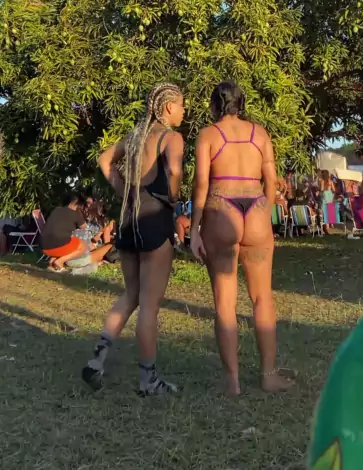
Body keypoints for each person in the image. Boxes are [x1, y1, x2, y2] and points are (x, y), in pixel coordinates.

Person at [190, 81, 294, 396]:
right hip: (256, 208)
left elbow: (201, 184)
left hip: (222, 207)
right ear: (241, 103)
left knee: (225, 301)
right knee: (263, 298)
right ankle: (268, 375)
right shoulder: (260, 133)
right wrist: (266, 213)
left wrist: (194, 228)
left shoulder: (208, 135)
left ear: (215, 104)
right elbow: (271, 181)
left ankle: (232, 380)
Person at [81, 82, 185, 396]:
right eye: (181, 105)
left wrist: (123, 190)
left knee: (130, 295)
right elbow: (175, 171)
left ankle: (97, 359)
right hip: (154, 220)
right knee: (149, 306)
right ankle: (148, 380)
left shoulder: (136, 137)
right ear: (168, 106)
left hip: (128, 219)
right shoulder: (172, 138)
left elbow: (104, 160)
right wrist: (173, 198)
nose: (184, 111)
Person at [41, 192, 112, 271]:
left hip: (44, 247)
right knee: (83, 246)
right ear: (79, 204)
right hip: (59, 245)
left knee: (64, 240)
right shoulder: (75, 213)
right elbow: (85, 227)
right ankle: (60, 261)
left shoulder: (57, 209)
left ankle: (51, 263)